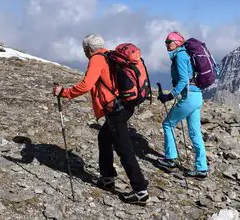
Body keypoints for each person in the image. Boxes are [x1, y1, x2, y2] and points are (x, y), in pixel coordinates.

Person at [52, 33, 149, 204]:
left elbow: (86, 85)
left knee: (124, 148)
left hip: (115, 110)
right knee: (103, 137)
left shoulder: (97, 59)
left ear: (88, 49)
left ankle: (140, 190)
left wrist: (64, 92)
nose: (84, 53)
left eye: (84, 50)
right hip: (124, 106)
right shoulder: (110, 55)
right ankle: (107, 177)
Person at [157, 31, 208, 178]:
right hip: (197, 96)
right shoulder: (186, 54)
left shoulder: (180, 56)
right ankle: (201, 168)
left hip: (189, 97)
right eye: (166, 42)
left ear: (177, 43)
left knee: (168, 124)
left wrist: (170, 96)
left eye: (169, 41)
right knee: (195, 133)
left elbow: (183, 81)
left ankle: (170, 159)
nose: (166, 44)